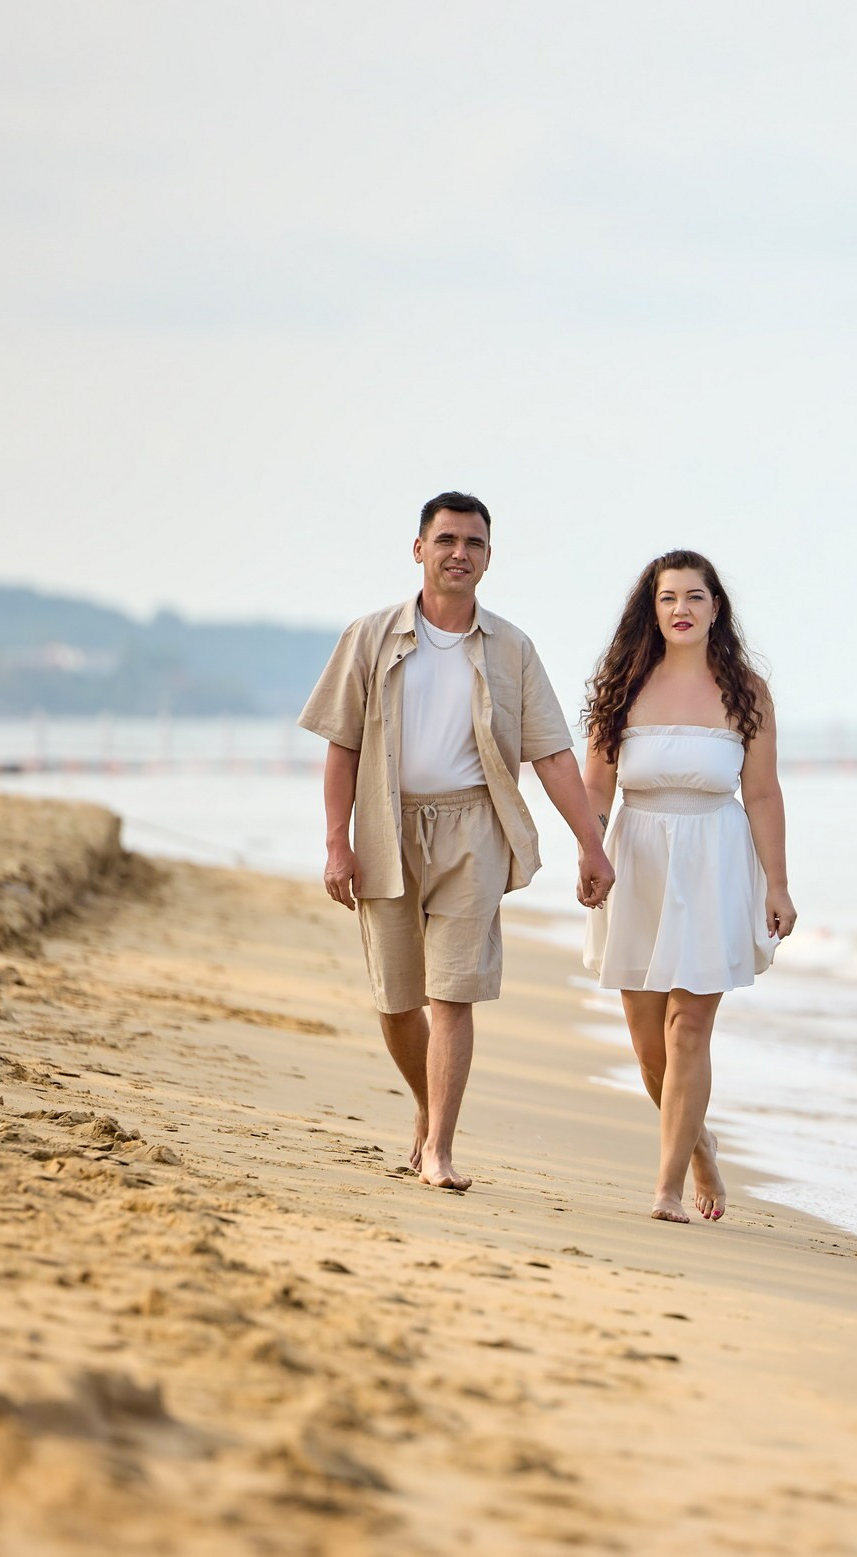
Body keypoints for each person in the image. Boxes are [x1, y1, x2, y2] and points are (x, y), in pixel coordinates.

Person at [299, 491, 614, 1191]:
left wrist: (591, 846)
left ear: (489, 557)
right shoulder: (370, 636)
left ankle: (439, 1147)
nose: (459, 553)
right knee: (397, 998)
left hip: (474, 829)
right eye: (445, 540)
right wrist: (335, 842)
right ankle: (425, 1104)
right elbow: (342, 746)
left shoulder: (512, 648)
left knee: (454, 994)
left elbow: (555, 757)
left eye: (473, 543)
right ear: (419, 549)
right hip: (385, 823)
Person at [579, 550, 796, 1223]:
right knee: (649, 1049)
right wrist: (590, 848)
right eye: (669, 597)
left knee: (688, 1027)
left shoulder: (747, 691)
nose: (682, 608)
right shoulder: (623, 682)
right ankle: (700, 1144)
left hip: (716, 862)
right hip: (637, 858)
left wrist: (778, 885)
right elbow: (595, 783)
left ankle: (665, 1188)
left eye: (695, 596)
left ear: (716, 608)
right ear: (653, 607)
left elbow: (760, 793)